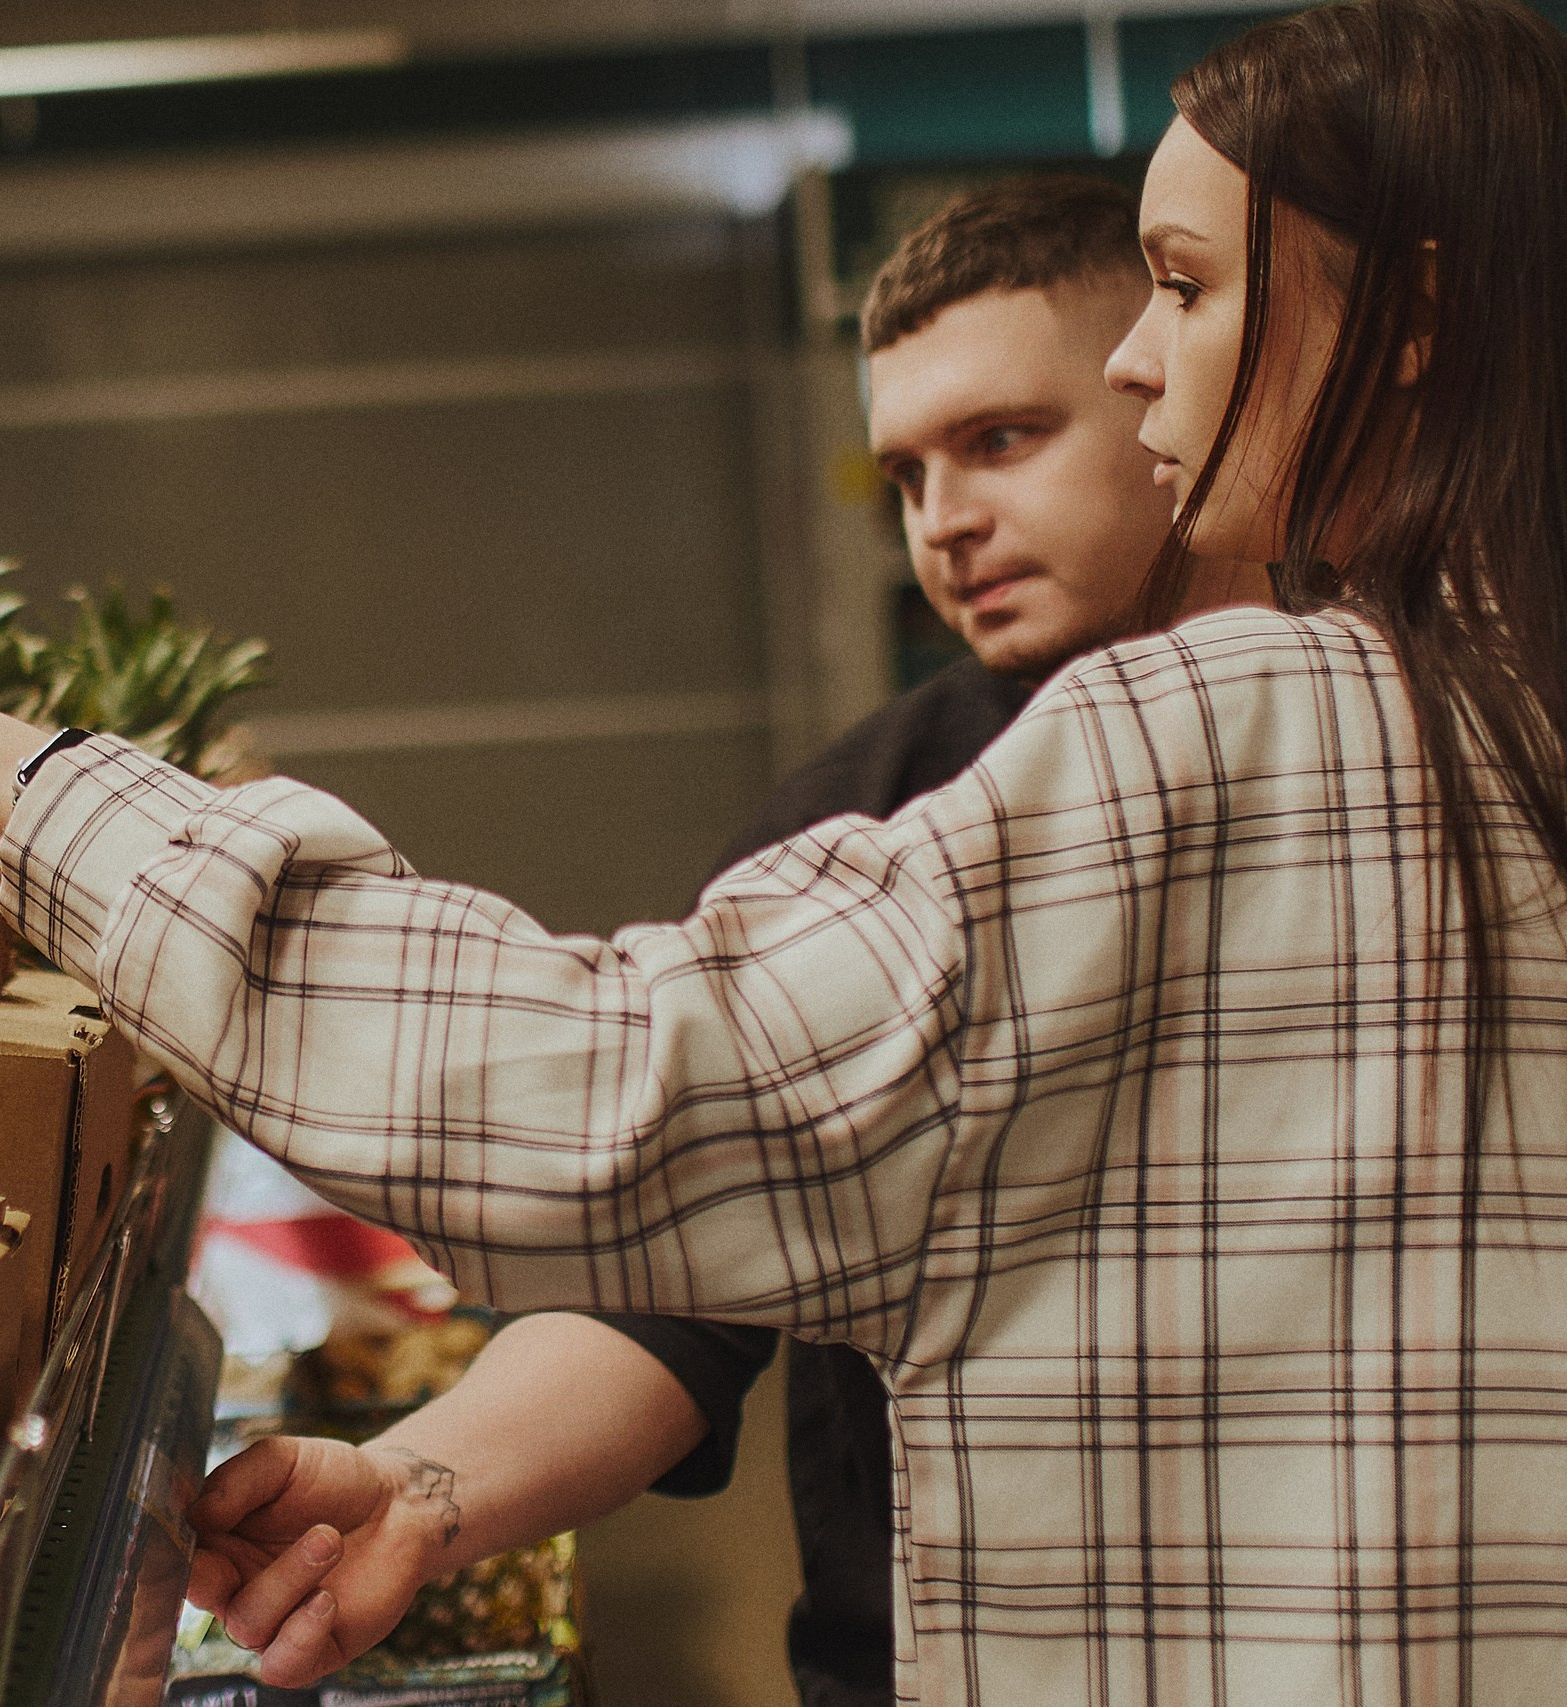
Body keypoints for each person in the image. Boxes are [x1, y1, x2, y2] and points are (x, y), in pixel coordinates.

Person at [0, 0, 1567, 1692]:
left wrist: (23, 787)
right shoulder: (1469, 720)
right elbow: (700, 1259)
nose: (1146, 361)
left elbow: (608, 1098)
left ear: (1400, 323)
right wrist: (437, 1484)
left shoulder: (1243, 729)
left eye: (1191, 285)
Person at [176, 174, 1263, 1707]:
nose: (944, 520)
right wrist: (416, 1488)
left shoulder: (1405, 762)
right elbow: (670, 1300)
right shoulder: (858, 822)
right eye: (904, 472)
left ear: (1168, 399)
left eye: (1003, 440)